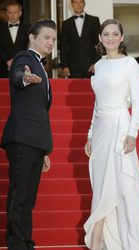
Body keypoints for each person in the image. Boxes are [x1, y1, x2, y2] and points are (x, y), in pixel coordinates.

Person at [83, 19, 139, 250]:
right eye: (106, 34)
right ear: (100, 38)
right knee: (101, 186)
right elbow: (97, 104)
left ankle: (127, 244)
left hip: (120, 127)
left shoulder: (130, 64)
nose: (110, 37)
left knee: (122, 187)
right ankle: (100, 240)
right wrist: (90, 133)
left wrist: (133, 133)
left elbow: (137, 102)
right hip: (100, 130)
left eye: (114, 34)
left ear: (121, 37)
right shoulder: (98, 65)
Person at [0, 19, 56, 250]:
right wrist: (24, 78)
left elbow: (41, 111)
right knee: (19, 197)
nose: (51, 42)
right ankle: (17, 245)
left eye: (53, 39)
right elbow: (18, 75)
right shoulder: (25, 57)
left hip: (34, 141)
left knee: (28, 200)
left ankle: (26, 244)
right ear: (32, 38)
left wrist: (45, 149)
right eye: (46, 37)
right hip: (22, 138)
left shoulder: (41, 65)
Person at [60, 0, 100, 78]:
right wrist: (64, 66)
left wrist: (96, 63)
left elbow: (100, 43)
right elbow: (63, 46)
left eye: (80, 2)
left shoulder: (94, 21)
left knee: (91, 90)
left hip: (91, 66)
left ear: (84, 4)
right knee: (75, 90)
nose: (78, 5)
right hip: (73, 67)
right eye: (75, 2)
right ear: (71, 4)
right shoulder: (66, 24)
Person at [0, 0, 30, 78]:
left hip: (23, 68)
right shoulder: (1, 29)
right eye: (10, 12)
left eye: (15, 12)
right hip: (3, 69)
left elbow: (30, 47)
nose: (12, 15)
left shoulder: (28, 28)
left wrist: (19, 60)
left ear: (20, 13)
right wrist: (7, 60)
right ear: (7, 13)